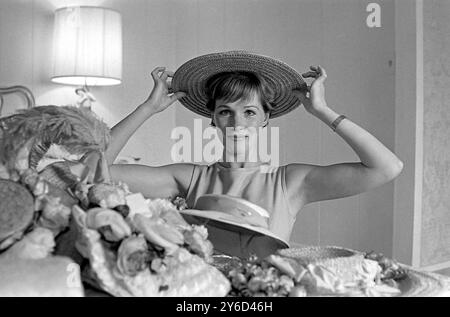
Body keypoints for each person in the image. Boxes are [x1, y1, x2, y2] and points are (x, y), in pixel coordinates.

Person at [106, 51, 403, 257]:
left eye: (249, 112)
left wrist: (323, 111)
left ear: (265, 118)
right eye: (225, 111)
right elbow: (93, 169)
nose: (237, 123)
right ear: (214, 120)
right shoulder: (188, 176)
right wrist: (147, 109)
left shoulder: (291, 181)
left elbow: (386, 168)